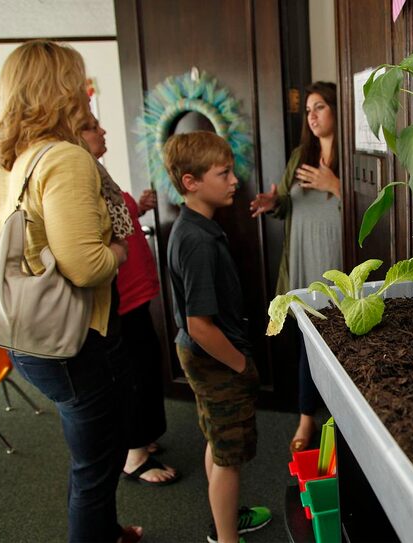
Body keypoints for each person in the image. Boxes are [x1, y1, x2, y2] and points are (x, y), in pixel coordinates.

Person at [0, 40, 140, 543]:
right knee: (98, 460)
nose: (85, 91)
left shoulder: (4, 160)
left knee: (92, 449)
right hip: (69, 337)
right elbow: (87, 266)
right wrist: (119, 250)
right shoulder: (65, 158)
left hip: (25, 334)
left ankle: (106, 532)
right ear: (60, 90)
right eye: (78, 81)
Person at [164, 131, 271, 543]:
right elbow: (200, 325)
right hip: (214, 357)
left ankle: (225, 519)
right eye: (223, 173)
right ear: (191, 182)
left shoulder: (196, 227)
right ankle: (227, 538)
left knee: (217, 440)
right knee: (229, 458)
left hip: (204, 355)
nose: (233, 181)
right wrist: (241, 365)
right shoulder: (196, 241)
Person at [81, 115, 178, 486]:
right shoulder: (79, 178)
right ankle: (132, 455)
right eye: (92, 126)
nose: (102, 130)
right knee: (132, 374)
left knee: (146, 365)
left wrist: (136, 206)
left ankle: (142, 437)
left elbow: (115, 222)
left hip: (136, 294)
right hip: (117, 300)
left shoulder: (98, 175)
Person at [249, 81, 341, 454]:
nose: (313, 115)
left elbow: (371, 209)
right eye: (308, 110)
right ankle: (306, 418)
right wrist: (274, 203)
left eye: (320, 106)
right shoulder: (299, 155)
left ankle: (340, 420)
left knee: (341, 343)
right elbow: (287, 205)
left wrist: (334, 183)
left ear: (337, 109)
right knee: (307, 342)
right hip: (303, 261)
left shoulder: (355, 154)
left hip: (336, 262)